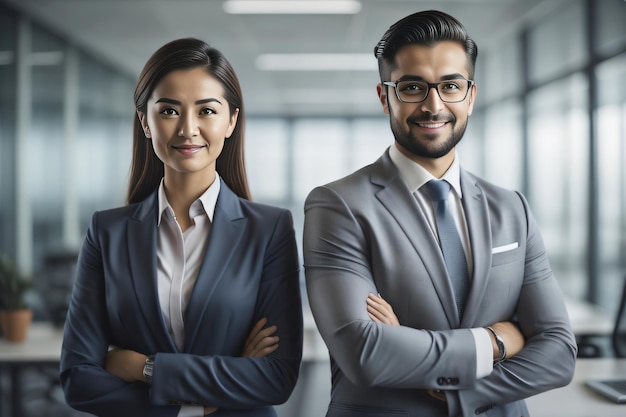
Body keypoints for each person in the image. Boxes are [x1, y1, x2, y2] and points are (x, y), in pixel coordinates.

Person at [303, 10, 576, 417]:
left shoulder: (511, 208)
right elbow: (365, 352)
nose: (433, 105)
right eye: (412, 87)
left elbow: (558, 352)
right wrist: (497, 341)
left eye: (450, 86)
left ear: (470, 95)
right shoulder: (338, 205)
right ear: (385, 97)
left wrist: (454, 389)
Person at [60, 38, 303, 417]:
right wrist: (199, 403)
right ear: (145, 120)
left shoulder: (270, 229)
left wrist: (144, 367)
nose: (188, 129)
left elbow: (276, 377)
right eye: (170, 110)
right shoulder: (107, 232)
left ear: (231, 121)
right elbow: (78, 379)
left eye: (206, 111)